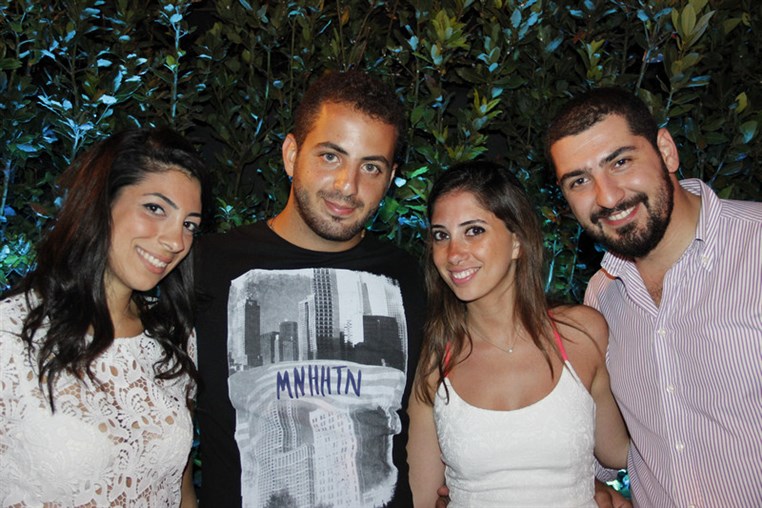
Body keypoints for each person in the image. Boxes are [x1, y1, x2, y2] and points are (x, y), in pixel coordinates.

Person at [194, 69, 425, 508]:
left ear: (390, 175)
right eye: (331, 156)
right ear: (291, 154)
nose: (348, 186)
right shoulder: (208, 265)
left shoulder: (407, 274)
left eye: (371, 167)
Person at [547, 87, 762, 507]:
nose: (608, 197)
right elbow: (612, 453)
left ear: (666, 150)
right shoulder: (602, 295)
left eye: (620, 162)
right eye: (580, 181)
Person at [0, 127, 206, 506]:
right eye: (155, 208)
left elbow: (181, 490)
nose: (176, 241)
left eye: (189, 224)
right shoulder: (10, 336)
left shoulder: (174, 339)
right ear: (101, 203)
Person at [407, 160, 629, 507]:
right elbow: (420, 499)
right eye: (441, 235)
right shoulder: (435, 361)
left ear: (517, 241)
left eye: (473, 230)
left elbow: (623, 453)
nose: (453, 254)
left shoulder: (582, 334)